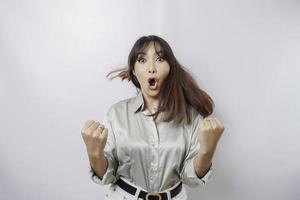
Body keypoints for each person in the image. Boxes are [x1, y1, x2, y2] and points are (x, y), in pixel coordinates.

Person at [81, 35, 225, 200]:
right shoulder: (116, 114)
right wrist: (94, 153)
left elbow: (191, 179)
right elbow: (107, 176)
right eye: (142, 60)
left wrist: (207, 150)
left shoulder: (191, 117)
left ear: (170, 67)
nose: (151, 68)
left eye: (159, 59)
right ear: (134, 71)